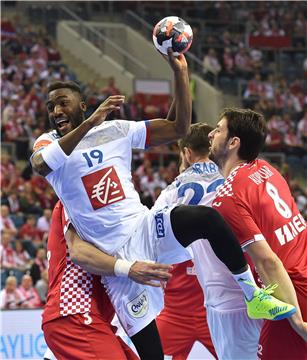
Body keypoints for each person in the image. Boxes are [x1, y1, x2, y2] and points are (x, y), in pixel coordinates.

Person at [31, 51, 295, 359]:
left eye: (63, 102)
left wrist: (180, 72)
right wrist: (91, 123)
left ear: (83, 104)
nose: (56, 110)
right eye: (51, 106)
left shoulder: (115, 130)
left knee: (206, 219)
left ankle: (253, 294)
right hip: (120, 264)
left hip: (144, 228)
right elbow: (41, 165)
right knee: (153, 355)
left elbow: (178, 128)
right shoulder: (47, 143)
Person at [156, 123, 262, 360]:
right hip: (239, 289)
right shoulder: (236, 181)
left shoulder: (172, 191)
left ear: (186, 153)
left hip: (194, 297)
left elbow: (151, 240)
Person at [208, 108, 307, 359]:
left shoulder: (226, 198)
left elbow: (268, 260)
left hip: (293, 289)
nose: (210, 134)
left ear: (233, 142)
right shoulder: (267, 169)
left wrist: (296, 319)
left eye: (218, 129)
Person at [43, 201, 145, 360]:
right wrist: (129, 268)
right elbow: (78, 253)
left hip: (93, 318)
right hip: (75, 309)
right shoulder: (73, 197)